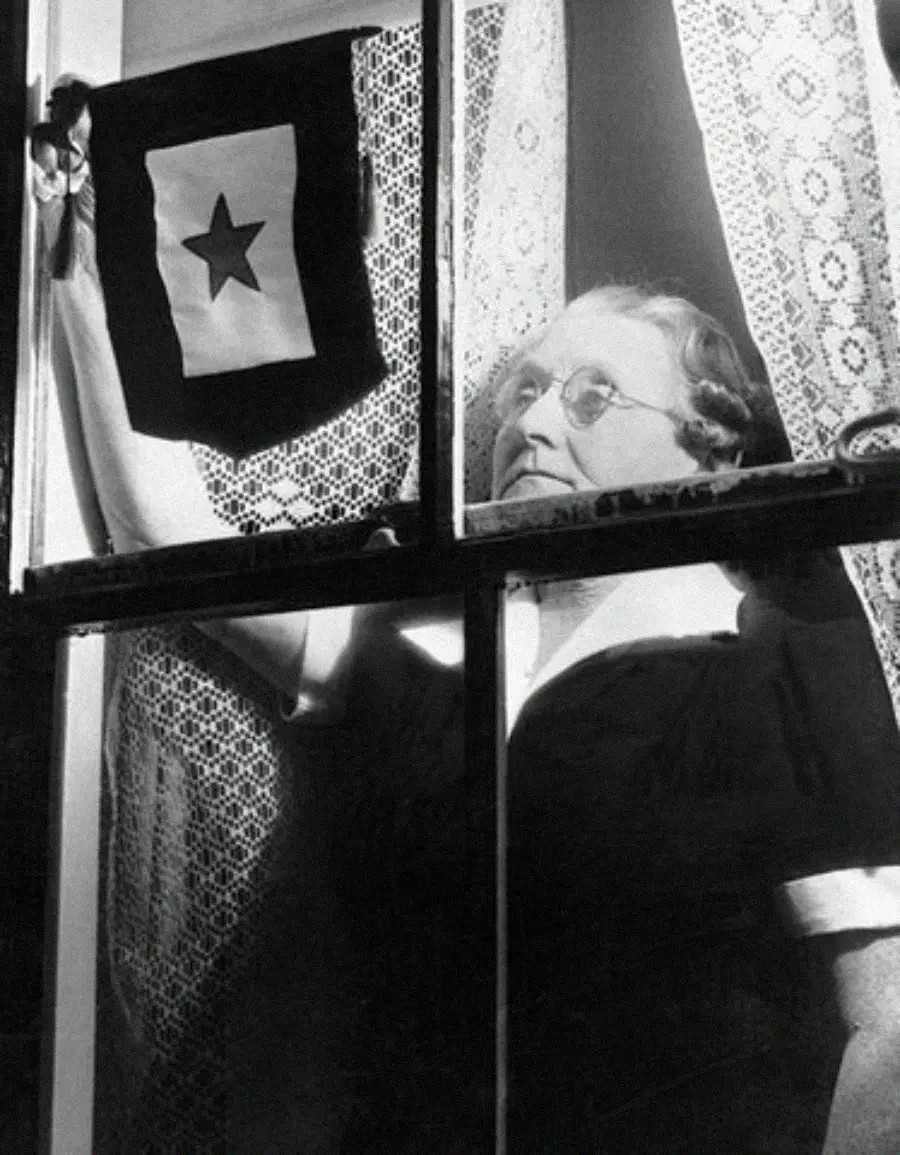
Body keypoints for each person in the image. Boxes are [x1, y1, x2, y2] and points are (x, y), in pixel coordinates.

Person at [39, 119, 900, 1151]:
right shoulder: (418, 637)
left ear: (708, 445)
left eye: (591, 397)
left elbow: (884, 1026)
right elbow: (167, 539)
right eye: (523, 394)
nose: (532, 426)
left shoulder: (788, 669)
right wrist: (88, 265)